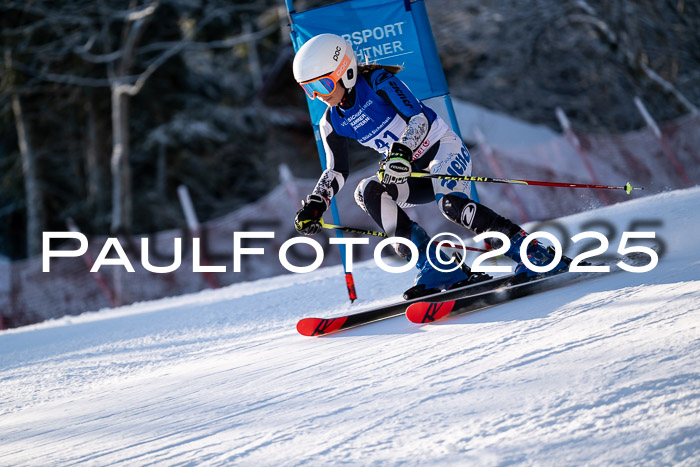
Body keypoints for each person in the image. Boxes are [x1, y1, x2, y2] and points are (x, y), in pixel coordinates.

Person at [292, 33, 567, 298]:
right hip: (408, 173)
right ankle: (436, 266)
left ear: (345, 71)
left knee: (451, 205)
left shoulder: (377, 82)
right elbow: (336, 170)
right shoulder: (332, 122)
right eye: (309, 90)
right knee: (367, 191)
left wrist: (400, 152)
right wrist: (317, 203)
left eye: (323, 86)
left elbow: (419, 119)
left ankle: (533, 253)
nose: (319, 96)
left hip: (441, 149)